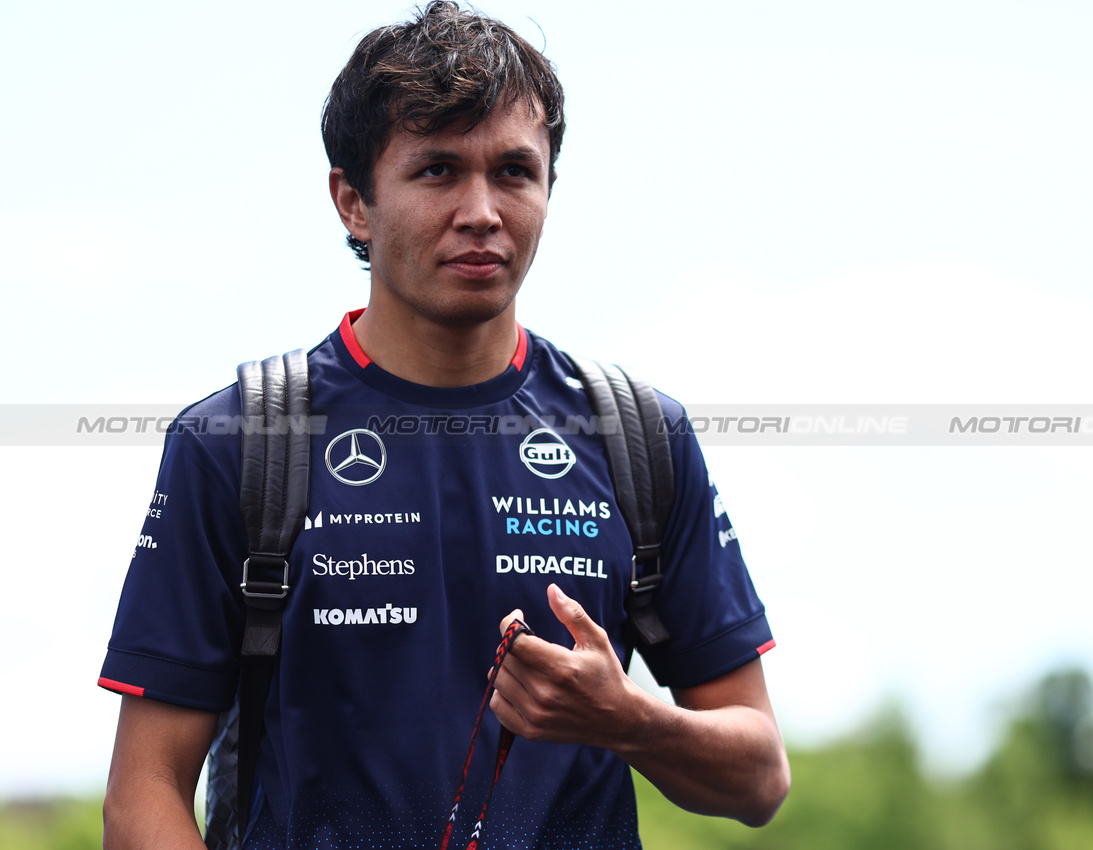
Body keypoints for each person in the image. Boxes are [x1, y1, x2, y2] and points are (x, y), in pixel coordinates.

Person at [99, 3, 790, 847]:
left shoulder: (637, 436)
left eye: (513, 172)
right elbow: (142, 796)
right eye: (436, 171)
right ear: (353, 201)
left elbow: (758, 778)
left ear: (547, 190)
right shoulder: (238, 442)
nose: (481, 210)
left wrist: (628, 720)